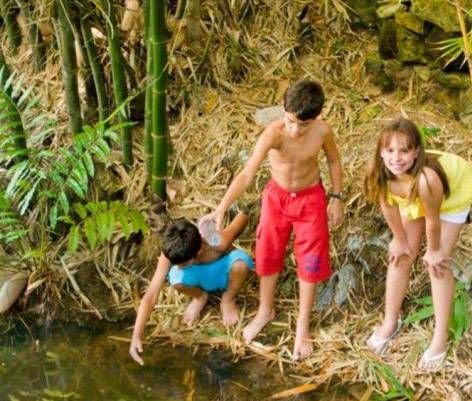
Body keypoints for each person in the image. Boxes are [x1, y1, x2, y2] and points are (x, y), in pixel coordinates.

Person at [202, 79, 344, 360]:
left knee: (311, 259)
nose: (294, 130)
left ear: (315, 118)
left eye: (302, 125)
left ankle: (302, 328)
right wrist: (220, 209)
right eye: (290, 121)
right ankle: (265, 310)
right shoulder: (273, 134)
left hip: (310, 200)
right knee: (267, 252)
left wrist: (337, 198)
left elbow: (334, 161)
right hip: (276, 199)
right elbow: (246, 174)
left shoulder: (322, 132)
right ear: (283, 109)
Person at [364, 117, 472, 371]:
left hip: (448, 198)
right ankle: (391, 322)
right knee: (401, 256)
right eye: (390, 150)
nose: (397, 158)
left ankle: (439, 340)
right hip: (413, 195)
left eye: (405, 150)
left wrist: (434, 250)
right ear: (381, 152)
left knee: (438, 265)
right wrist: (399, 239)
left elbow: (432, 220)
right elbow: (388, 206)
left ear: (416, 153)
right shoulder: (381, 173)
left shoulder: (427, 179)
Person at [129, 213, 252, 365]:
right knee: (176, 278)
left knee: (241, 262)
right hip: (200, 277)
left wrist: (239, 211)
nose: (177, 266)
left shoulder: (214, 239)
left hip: (222, 272)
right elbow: (151, 295)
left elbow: (242, 219)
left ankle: (228, 299)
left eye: (182, 264)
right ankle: (200, 297)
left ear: (197, 253)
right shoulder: (173, 248)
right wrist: (136, 335)